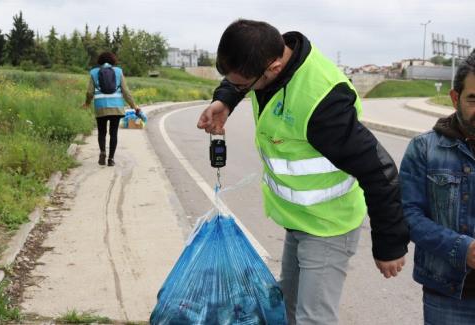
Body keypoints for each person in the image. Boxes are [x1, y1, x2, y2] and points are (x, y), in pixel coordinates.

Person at [196, 19, 409, 325]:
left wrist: (390, 244)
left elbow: (380, 171)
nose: (239, 88)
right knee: (288, 307)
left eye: (243, 85)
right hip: (298, 220)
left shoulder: (323, 105)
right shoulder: (267, 54)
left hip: (328, 225)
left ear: (274, 67)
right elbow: (238, 78)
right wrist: (225, 101)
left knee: (313, 318)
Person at [400, 51, 475, 324]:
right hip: (447, 297)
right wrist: (462, 248)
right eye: (473, 99)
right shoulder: (423, 149)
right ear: (455, 98)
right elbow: (409, 215)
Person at [83, 51, 139, 166]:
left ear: (100, 61)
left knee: (101, 132)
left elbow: (89, 92)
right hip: (116, 107)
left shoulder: (94, 72)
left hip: (101, 107)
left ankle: (103, 152)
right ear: (113, 61)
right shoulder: (118, 71)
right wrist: (134, 106)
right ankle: (111, 159)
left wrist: (87, 103)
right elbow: (126, 91)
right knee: (113, 133)